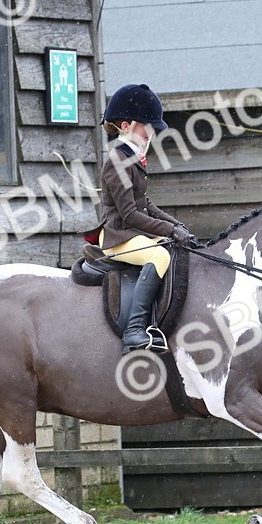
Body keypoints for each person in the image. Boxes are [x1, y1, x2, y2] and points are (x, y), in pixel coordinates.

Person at [97, 83, 196, 353]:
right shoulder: (117, 161)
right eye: (147, 127)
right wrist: (168, 230)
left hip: (132, 233)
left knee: (172, 250)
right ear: (126, 126)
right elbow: (130, 214)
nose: (151, 132)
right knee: (159, 256)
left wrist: (176, 225)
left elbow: (145, 204)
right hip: (118, 237)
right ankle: (134, 330)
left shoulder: (133, 157)